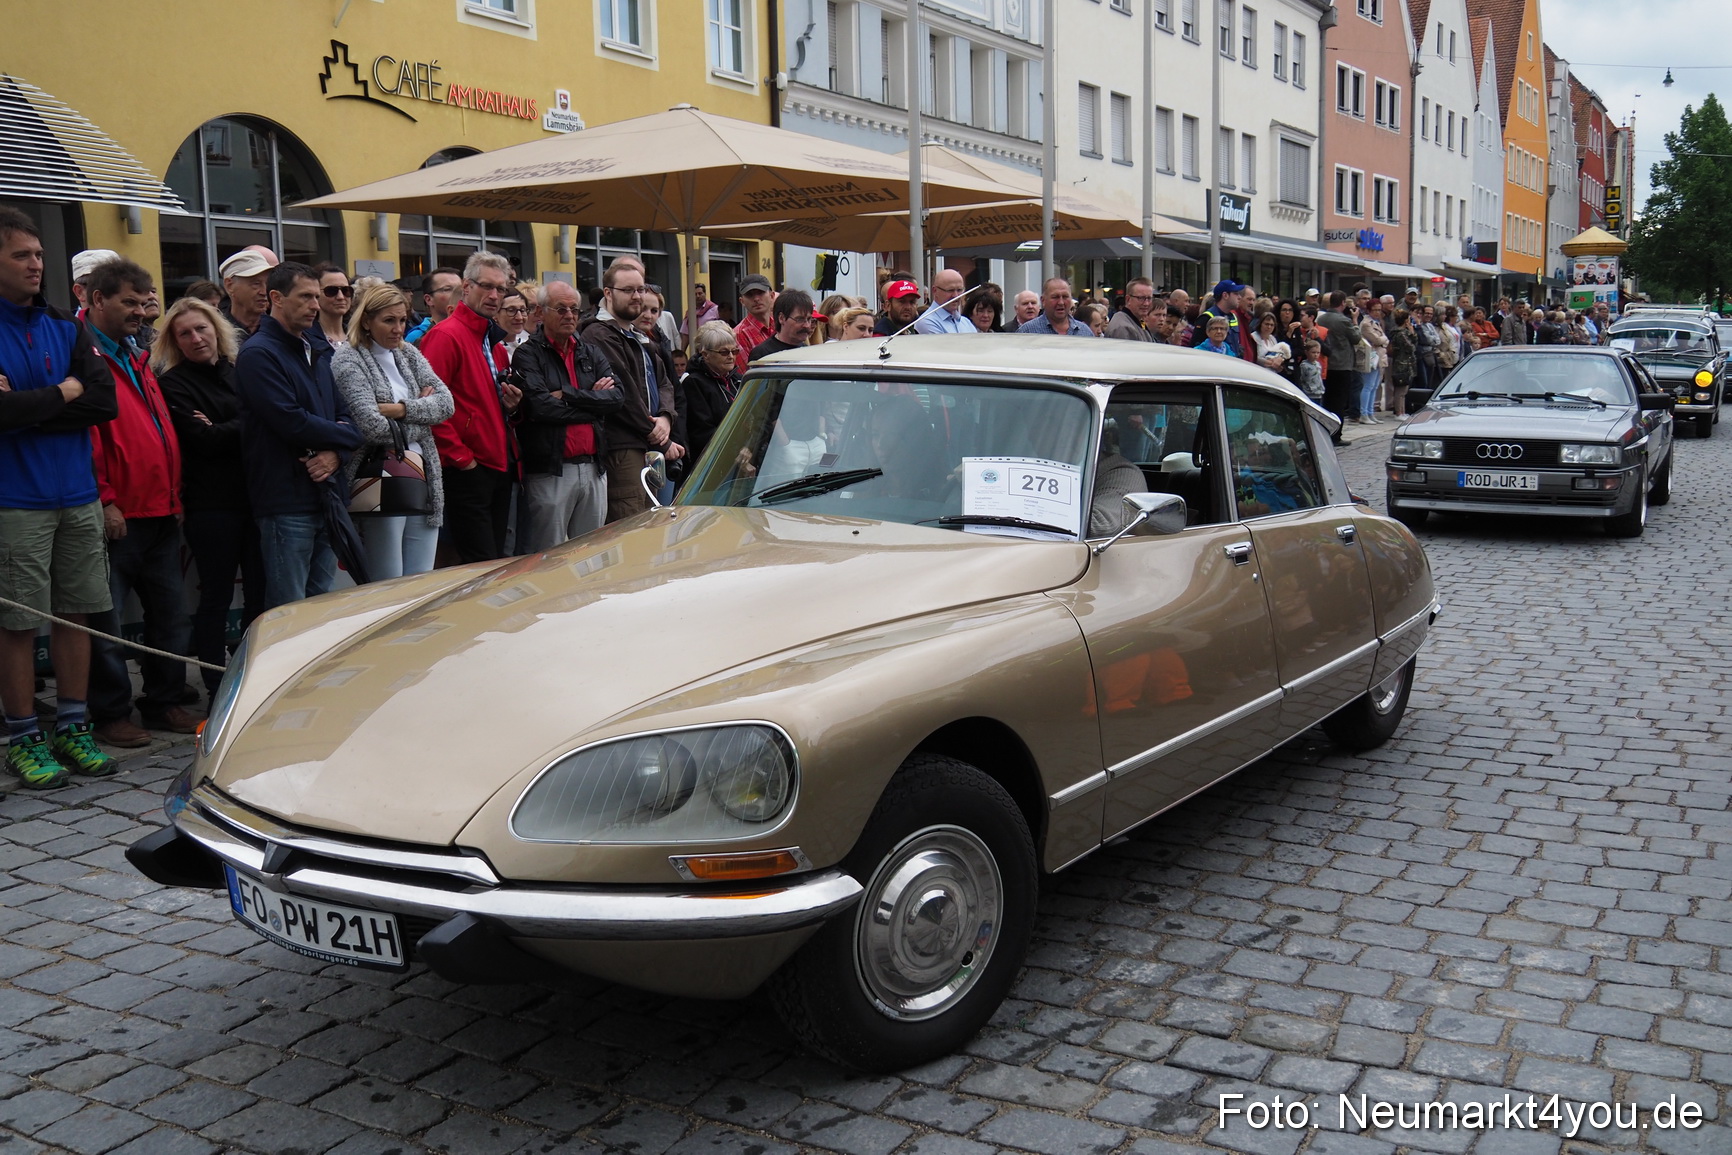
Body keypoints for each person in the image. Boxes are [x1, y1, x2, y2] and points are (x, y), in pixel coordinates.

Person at [0, 208, 119, 787]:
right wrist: (61, 396)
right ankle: (23, 735)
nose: (36, 264)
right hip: (13, 498)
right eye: (22, 254)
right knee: (19, 622)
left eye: (39, 254)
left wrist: (31, 405)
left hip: (76, 492)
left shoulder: (64, 326)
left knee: (78, 613)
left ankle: (73, 726)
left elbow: (104, 403)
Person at [80, 259, 196, 746]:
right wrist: (106, 500)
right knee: (105, 624)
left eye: (144, 300)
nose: (141, 311)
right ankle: (109, 713)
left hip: (160, 508)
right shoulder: (83, 352)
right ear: (96, 299)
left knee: (169, 614)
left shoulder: (137, 353)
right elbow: (88, 435)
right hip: (118, 512)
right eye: (129, 301)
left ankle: (164, 701)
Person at [153, 296, 263, 707]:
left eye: (201, 328)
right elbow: (203, 439)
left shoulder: (241, 371)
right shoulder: (173, 384)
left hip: (256, 499)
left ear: (217, 329)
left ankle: (254, 677)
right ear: (175, 342)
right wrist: (245, 422)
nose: (196, 338)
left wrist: (225, 425)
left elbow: (249, 426)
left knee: (259, 595)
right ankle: (216, 685)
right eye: (185, 333)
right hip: (210, 506)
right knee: (215, 598)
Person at [235, 262, 364, 608]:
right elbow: (290, 421)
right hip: (285, 500)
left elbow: (349, 419)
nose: (315, 305)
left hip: (326, 495)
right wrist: (342, 437)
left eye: (316, 296)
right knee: (288, 611)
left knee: (319, 607)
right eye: (306, 297)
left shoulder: (315, 349)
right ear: (276, 298)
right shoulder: (258, 353)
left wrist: (338, 454)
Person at [331, 284, 457, 578]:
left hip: (424, 479)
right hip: (378, 479)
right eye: (389, 320)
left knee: (420, 581)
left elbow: (446, 404)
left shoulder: (409, 354)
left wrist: (399, 409)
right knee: (386, 583)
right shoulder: (349, 358)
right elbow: (371, 426)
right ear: (366, 320)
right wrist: (423, 412)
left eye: (402, 320)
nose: (398, 329)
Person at [419, 252, 523, 563]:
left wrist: (513, 408)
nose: (494, 296)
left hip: (496, 464)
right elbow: (430, 407)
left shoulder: (489, 340)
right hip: (469, 468)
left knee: (493, 563)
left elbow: (487, 406)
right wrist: (462, 459)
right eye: (486, 286)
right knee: (480, 565)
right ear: (466, 287)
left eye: (501, 289)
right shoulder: (446, 335)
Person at [510, 280, 623, 550]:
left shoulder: (590, 352)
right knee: (547, 556)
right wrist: (593, 404)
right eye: (560, 309)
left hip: (594, 468)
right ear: (540, 312)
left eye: (574, 309)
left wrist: (569, 394)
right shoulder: (527, 354)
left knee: (591, 555)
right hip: (551, 471)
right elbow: (540, 407)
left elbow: (616, 398)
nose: (570, 316)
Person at [581, 258, 679, 522]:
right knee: (631, 526)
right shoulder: (598, 335)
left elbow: (665, 381)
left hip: (648, 444)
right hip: (623, 446)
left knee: (651, 523)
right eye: (628, 290)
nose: (637, 296)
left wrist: (666, 417)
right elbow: (623, 394)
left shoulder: (638, 334)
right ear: (608, 293)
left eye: (640, 289)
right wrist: (657, 433)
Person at [683, 320, 742, 468]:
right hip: (713, 462)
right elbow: (703, 432)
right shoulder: (694, 383)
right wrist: (736, 452)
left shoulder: (738, 379)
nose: (730, 356)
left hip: (744, 454)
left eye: (734, 351)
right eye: (723, 352)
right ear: (706, 355)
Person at [1315, 292, 1363, 445]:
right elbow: (1356, 338)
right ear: (1343, 302)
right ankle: (1336, 435)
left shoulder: (1321, 318)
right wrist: (1355, 319)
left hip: (1326, 364)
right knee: (1339, 402)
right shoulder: (1343, 320)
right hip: (1342, 365)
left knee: (1327, 400)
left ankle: (1325, 431)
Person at [219, 246, 278, 339]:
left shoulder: (281, 329)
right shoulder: (217, 333)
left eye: (267, 283)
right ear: (229, 285)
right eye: (256, 283)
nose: (264, 292)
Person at [749, 289, 816, 361]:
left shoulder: (807, 352)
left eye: (809, 319)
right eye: (799, 319)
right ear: (781, 318)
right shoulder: (762, 355)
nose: (807, 325)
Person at [732, 274, 776, 373]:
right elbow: (748, 377)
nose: (756, 299)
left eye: (760, 293)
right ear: (742, 301)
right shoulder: (739, 334)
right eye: (750, 295)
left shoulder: (780, 325)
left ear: (772, 296)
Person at [1019, 278, 1091, 336]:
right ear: (1043, 300)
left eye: (1065, 297)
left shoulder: (1085, 332)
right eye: (1055, 297)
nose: (1061, 302)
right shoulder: (1027, 332)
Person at [407, 267, 461, 345]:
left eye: (460, 289)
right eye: (447, 289)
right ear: (428, 299)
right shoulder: (417, 337)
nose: (458, 294)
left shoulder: (471, 330)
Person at [1192, 280, 1246, 355]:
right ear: (1225, 295)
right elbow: (1195, 349)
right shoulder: (1206, 317)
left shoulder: (1233, 317)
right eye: (1236, 293)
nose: (1239, 297)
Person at [913, 269, 973, 334]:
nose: (955, 295)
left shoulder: (966, 322)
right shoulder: (926, 322)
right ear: (935, 290)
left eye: (959, 290)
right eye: (950, 290)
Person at [1358, 299, 1389, 424]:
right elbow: (1376, 340)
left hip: (1379, 356)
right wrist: (1384, 339)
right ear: (1369, 310)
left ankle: (1370, 412)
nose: (1377, 312)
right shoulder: (1366, 323)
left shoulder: (1377, 323)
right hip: (1371, 356)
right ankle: (1364, 413)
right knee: (1368, 386)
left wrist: (1383, 340)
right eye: (1375, 310)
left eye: (1379, 310)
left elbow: (1383, 340)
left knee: (1375, 386)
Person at [311, 263, 353, 350]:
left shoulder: (360, 337)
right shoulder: (306, 339)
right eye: (331, 291)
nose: (341, 297)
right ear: (316, 293)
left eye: (346, 290)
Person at [1386, 308, 1416, 418]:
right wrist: (1412, 333)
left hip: (1405, 363)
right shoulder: (1401, 334)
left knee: (1404, 390)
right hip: (1402, 363)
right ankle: (1399, 412)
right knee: (1401, 390)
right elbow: (1410, 347)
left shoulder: (1402, 333)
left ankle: (1402, 411)